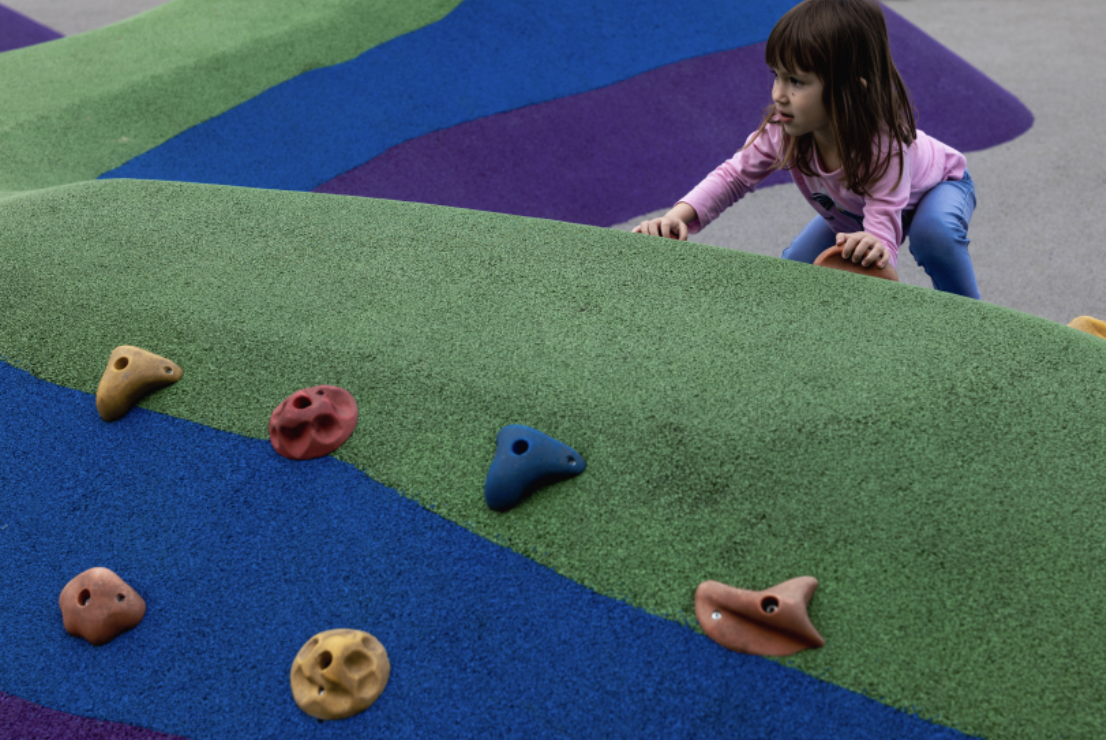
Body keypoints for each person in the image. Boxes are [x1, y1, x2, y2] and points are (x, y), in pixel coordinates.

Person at [632, 0, 980, 299]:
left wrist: (878, 250)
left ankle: (971, 324)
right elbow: (733, 176)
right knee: (795, 273)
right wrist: (675, 217)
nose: (779, 94)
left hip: (938, 187)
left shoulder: (885, 148)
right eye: (777, 75)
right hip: (855, 211)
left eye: (796, 81)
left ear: (852, 91)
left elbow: (883, 232)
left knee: (933, 235)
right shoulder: (785, 130)